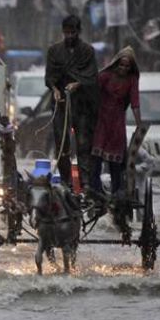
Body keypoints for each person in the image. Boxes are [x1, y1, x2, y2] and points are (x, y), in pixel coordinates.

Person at [44, 15, 100, 191]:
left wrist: (78, 84)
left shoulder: (88, 51)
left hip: (82, 104)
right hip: (61, 104)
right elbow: (49, 77)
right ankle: (66, 180)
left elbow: (92, 76)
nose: (69, 36)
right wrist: (55, 89)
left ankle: (85, 181)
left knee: (84, 143)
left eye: (72, 32)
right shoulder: (54, 51)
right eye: (66, 32)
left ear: (78, 32)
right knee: (61, 142)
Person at [90, 46, 142, 195]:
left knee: (115, 161)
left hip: (117, 121)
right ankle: (96, 190)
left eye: (127, 66)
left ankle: (117, 192)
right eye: (121, 65)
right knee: (96, 159)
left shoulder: (132, 79)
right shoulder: (105, 76)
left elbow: (135, 102)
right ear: (116, 63)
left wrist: (139, 124)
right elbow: (93, 93)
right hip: (101, 119)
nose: (123, 68)